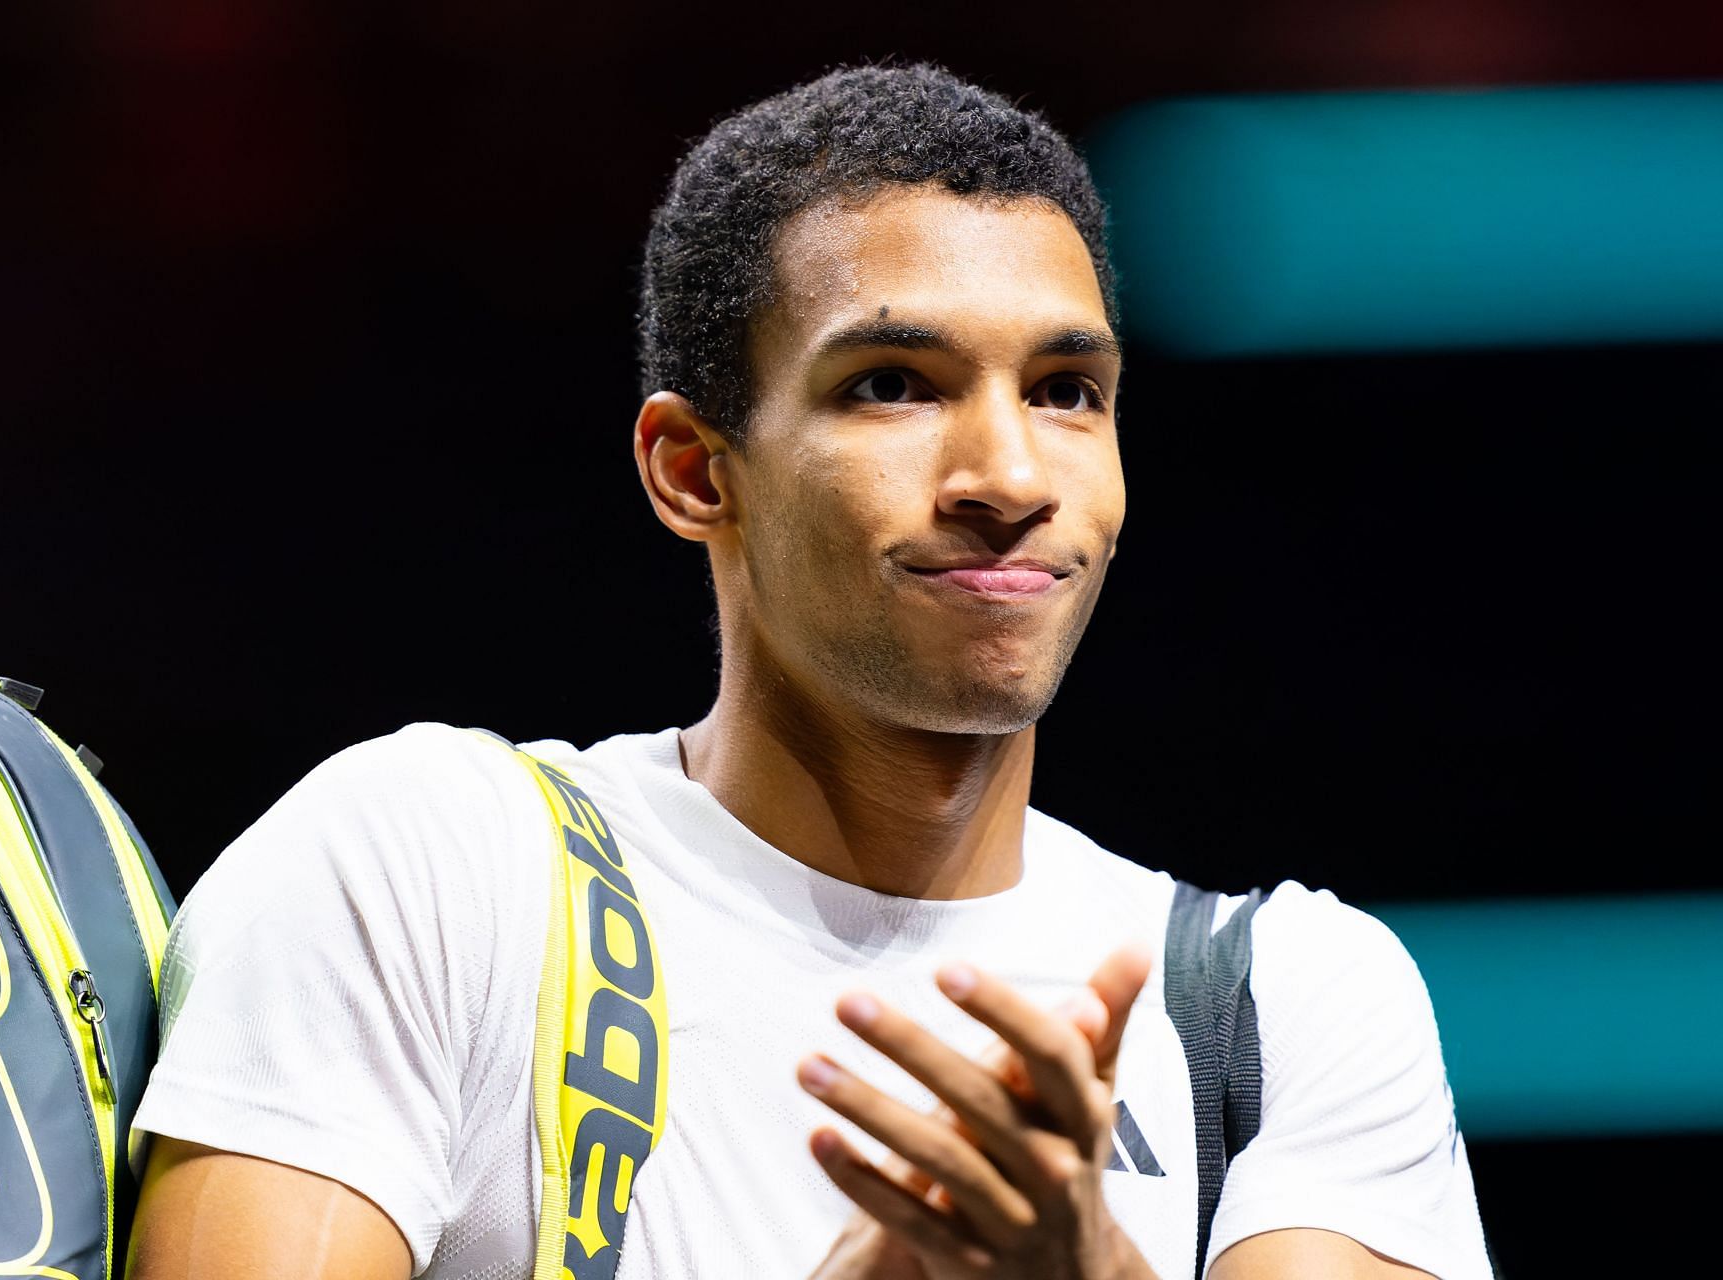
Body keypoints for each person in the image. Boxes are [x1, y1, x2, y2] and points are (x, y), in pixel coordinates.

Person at [124, 64, 1491, 1280]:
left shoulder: (1289, 1001)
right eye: (894, 383)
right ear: (693, 469)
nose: (1009, 478)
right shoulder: (426, 870)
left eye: (1068, 390)